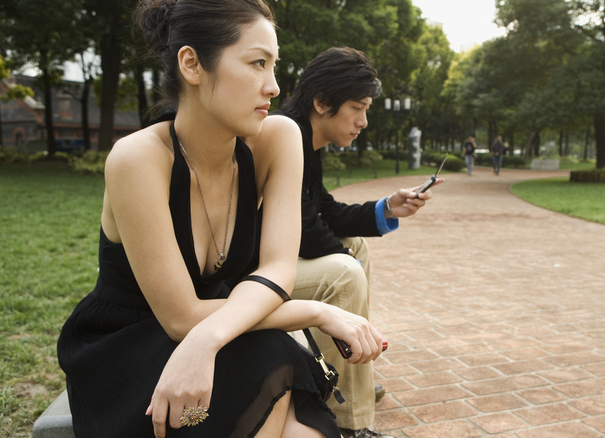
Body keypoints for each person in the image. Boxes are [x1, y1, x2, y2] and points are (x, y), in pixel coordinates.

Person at [57, 2, 384, 437]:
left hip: (222, 331)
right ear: (192, 64)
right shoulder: (138, 159)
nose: (272, 86)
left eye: (274, 66)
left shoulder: (280, 137)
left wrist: (207, 339)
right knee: (271, 364)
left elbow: (278, 270)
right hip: (128, 347)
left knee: (281, 380)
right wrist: (316, 311)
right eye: (257, 63)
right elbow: (180, 317)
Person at [270, 47, 441, 438]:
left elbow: (323, 210)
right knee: (345, 271)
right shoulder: (285, 135)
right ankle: (349, 421)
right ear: (322, 102)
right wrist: (345, 261)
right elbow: (304, 225)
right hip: (250, 272)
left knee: (354, 252)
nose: (363, 121)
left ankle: (350, 380)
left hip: (275, 259)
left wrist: (387, 208)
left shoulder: (303, 137)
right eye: (357, 108)